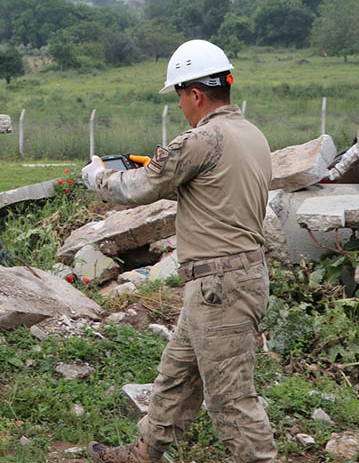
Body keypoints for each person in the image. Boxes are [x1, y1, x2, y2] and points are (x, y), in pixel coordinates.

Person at [81, 39, 276, 463]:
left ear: (195, 93)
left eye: (179, 95)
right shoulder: (252, 135)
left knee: (231, 400)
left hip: (219, 286)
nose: (181, 106)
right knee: (176, 375)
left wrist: (97, 175)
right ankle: (143, 454)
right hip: (233, 280)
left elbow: (135, 188)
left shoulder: (200, 140)